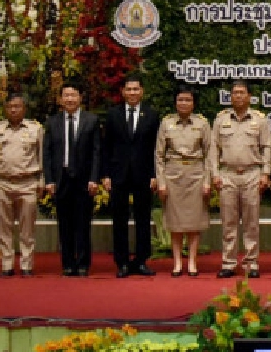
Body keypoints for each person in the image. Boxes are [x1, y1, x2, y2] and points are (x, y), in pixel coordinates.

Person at [209, 80, 271, 279]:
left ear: (249, 96)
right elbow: (213, 148)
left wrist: (265, 173)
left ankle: (251, 263)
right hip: (227, 174)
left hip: (252, 174)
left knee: (251, 223)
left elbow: (266, 147)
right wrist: (214, 174)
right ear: (230, 96)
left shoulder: (259, 120)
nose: (238, 96)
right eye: (235, 92)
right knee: (229, 223)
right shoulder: (221, 119)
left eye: (242, 92)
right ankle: (228, 263)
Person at [103, 75, 160, 278]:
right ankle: (122, 263)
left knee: (143, 219)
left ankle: (141, 261)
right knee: (119, 219)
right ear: (123, 92)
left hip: (143, 174)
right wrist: (106, 174)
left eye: (136, 89)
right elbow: (106, 146)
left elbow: (156, 148)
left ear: (142, 91)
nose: (132, 93)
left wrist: (155, 174)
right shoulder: (113, 114)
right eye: (129, 89)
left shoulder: (152, 115)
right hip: (118, 174)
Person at [42, 82, 101, 277]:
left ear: (80, 98)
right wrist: (49, 180)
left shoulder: (91, 120)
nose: (69, 99)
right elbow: (47, 153)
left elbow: (96, 152)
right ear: (60, 99)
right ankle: (67, 263)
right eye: (66, 95)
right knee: (64, 224)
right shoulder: (52, 122)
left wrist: (94, 178)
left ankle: (83, 263)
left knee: (83, 224)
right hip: (62, 179)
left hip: (84, 180)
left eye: (73, 95)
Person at [0, 93, 44, 277]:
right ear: (5, 109)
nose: (14, 110)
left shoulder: (35, 129)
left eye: (17, 106)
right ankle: (7, 265)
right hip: (1, 182)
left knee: (27, 227)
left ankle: (26, 265)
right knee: (4, 227)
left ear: (24, 109)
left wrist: (41, 180)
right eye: (10, 107)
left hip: (27, 183)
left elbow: (42, 156)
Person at [155, 85, 213, 277]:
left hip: (196, 175)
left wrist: (207, 181)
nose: (184, 103)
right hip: (173, 175)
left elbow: (209, 154)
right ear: (175, 102)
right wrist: (161, 182)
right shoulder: (167, 123)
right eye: (180, 99)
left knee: (194, 221)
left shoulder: (202, 123)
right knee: (175, 222)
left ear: (193, 103)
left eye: (188, 100)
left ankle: (193, 262)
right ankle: (178, 262)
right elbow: (159, 155)